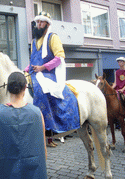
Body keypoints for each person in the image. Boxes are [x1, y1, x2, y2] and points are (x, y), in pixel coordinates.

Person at [24, 11, 80, 147]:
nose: (38, 24)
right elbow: (32, 60)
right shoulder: (34, 41)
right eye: (37, 22)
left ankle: (48, 127)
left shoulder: (53, 37)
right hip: (34, 71)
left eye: (41, 22)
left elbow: (59, 57)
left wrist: (43, 67)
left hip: (48, 73)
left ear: (47, 24)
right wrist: (24, 70)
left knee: (40, 89)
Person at [0, 72, 47, 179]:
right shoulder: (37, 112)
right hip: (33, 172)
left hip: (6, 172)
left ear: (7, 87)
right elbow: (43, 150)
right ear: (25, 87)